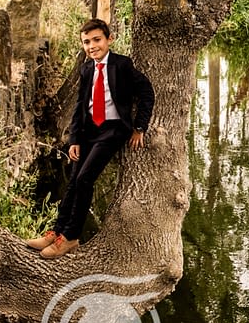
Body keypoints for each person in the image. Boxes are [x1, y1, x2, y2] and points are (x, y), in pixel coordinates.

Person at [26, 18, 155, 259]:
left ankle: (71, 237)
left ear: (109, 40)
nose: (92, 46)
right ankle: (56, 231)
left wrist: (140, 127)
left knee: (85, 179)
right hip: (87, 132)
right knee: (74, 180)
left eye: (97, 40)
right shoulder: (86, 69)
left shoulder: (122, 65)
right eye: (87, 42)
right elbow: (80, 107)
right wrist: (74, 139)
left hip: (112, 130)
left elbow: (147, 92)